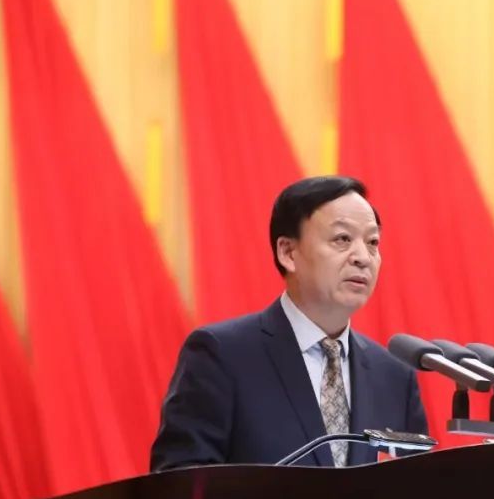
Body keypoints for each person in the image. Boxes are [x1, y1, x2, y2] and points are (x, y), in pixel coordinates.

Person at [150, 176, 428, 471]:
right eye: (342, 239)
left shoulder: (395, 377)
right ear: (288, 252)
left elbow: (416, 488)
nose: (363, 257)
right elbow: (182, 483)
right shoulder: (222, 355)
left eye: (372, 243)